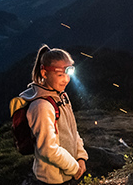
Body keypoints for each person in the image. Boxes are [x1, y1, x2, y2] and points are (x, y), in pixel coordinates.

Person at [16, 47, 86, 185]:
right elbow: (48, 149)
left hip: (68, 173)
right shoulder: (41, 106)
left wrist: (81, 157)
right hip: (51, 179)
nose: (66, 80)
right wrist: (74, 167)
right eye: (60, 75)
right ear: (44, 72)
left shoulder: (62, 97)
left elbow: (73, 131)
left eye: (68, 74)